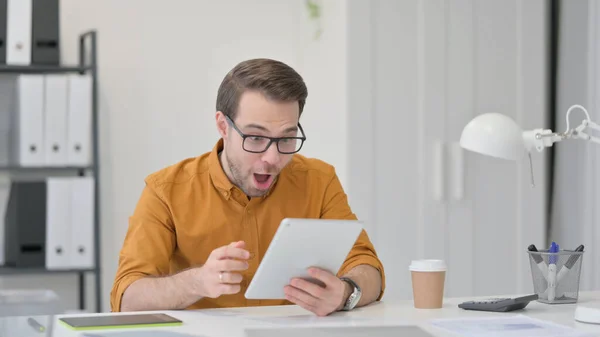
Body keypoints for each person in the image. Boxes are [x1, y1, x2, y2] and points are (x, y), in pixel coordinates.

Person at [110, 58, 385, 317]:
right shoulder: (165, 191)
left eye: (287, 138)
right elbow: (127, 298)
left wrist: (347, 293)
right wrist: (197, 282)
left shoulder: (319, 180)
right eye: (255, 138)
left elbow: (368, 268)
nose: (273, 158)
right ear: (223, 126)